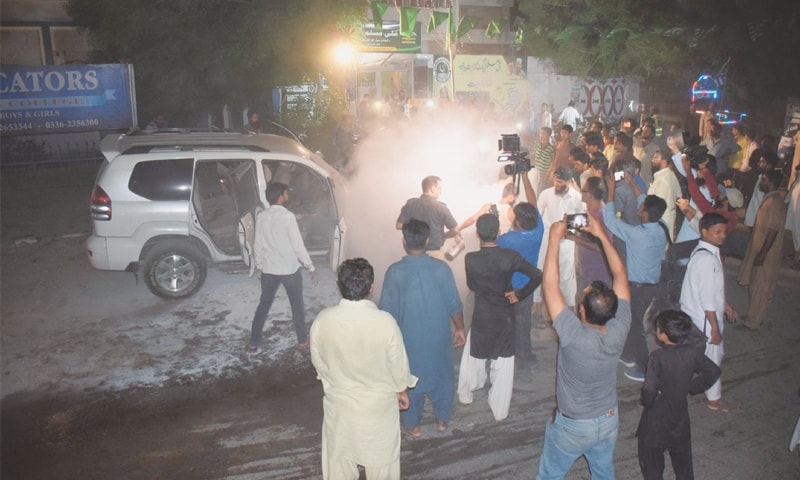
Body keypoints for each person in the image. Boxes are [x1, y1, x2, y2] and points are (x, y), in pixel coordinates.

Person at [535, 208, 631, 479]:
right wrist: (601, 234)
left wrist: (554, 239)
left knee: (550, 474)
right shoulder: (620, 325)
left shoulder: (573, 336)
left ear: (582, 311)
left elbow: (550, 287)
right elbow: (621, 275)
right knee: (603, 473)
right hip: (609, 417)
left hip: (574, 425)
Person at [310, 258, 418, 479]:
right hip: (377, 412)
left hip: (340, 411)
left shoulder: (323, 320)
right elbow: (398, 367)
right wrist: (402, 391)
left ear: (340, 286)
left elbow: (319, 362)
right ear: (371, 287)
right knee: (383, 467)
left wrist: (333, 384)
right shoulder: (385, 322)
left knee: (339, 466)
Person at [379, 220, 466, 437]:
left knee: (409, 378)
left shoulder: (394, 272)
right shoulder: (441, 269)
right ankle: (442, 421)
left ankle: (413, 426)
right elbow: (454, 304)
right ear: (427, 241)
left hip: (407, 342)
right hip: (438, 339)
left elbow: (386, 314)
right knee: (442, 377)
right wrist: (460, 329)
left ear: (404, 241)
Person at [457, 214, 542, 422]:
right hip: (504, 313)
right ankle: (499, 409)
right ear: (498, 233)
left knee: (474, 355)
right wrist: (519, 295)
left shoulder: (470, 259)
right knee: (503, 363)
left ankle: (467, 394)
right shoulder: (509, 256)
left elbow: (472, 286)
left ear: (477, 233)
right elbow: (537, 274)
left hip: (482, 312)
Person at [636, 310, 722, 480]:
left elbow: (649, 391)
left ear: (664, 335)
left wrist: (648, 400)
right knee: (683, 465)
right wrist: (690, 387)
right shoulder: (693, 352)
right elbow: (713, 371)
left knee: (652, 464)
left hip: (656, 421)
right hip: (679, 418)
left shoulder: (657, 357)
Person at [604, 175, 668, 381]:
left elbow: (610, 221)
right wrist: (632, 183)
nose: (638, 209)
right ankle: (628, 355)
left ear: (646, 214)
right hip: (652, 285)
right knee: (633, 321)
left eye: (642, 208)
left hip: (638, 288)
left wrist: (611, 190)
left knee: (635, 326)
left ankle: (644, 368)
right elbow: (646, 202)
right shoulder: (661, 228)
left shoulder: (635, 234)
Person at [247, 182, 319, 354]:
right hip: (289, 270)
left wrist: (259, 266)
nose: (288, 196)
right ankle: (302, 340)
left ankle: (253, 344)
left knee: (263, 305)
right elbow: (297, 245)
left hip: (269, 271)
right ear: (280, 196)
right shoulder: (288, 217)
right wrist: (310, 266)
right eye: (286, 193)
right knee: (297, 305)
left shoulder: (262, 216)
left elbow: (258, 244)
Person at [679, 213, 738, 412]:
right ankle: (714, 400)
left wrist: (725, 305)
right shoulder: (706, 259)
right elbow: (707, 299)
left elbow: (713, 290)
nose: (722, 236)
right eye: (717, 232)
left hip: (700, 316)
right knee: (712, 361)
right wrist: (714, 328)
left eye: (724, 231)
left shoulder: (707, 252)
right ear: (704, 232)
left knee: (701, 359)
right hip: (703, 319)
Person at [496, 173, 545, 369]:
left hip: (508, 287)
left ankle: (506, 355)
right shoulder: (538, 230)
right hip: (527, 286)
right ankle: (525, 356)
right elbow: (533, 202)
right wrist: (524, 176)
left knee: (507, 322)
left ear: (518, 222)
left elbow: (491, 244)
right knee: (523, 322)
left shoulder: (508, 240)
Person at [736, 171, 787, 330]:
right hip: (760, 250)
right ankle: (754, 315)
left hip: (767, 254)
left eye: (764, 179)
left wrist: (763, 253)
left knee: (761, 287)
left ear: (771, 182)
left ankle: (753, 322)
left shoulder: (775, 202)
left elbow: (773, 230)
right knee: (755, 284)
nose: (761, 182)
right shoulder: (770, 199)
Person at [396, 176, 474, 260]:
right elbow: (455, 230)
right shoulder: (441, 207)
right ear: (433, 188)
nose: (441, 192)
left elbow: (399, 225)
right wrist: (443, 236)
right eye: (439, 188)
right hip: (435, 254)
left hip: (414, 254)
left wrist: (415, 227)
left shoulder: (410, 204)